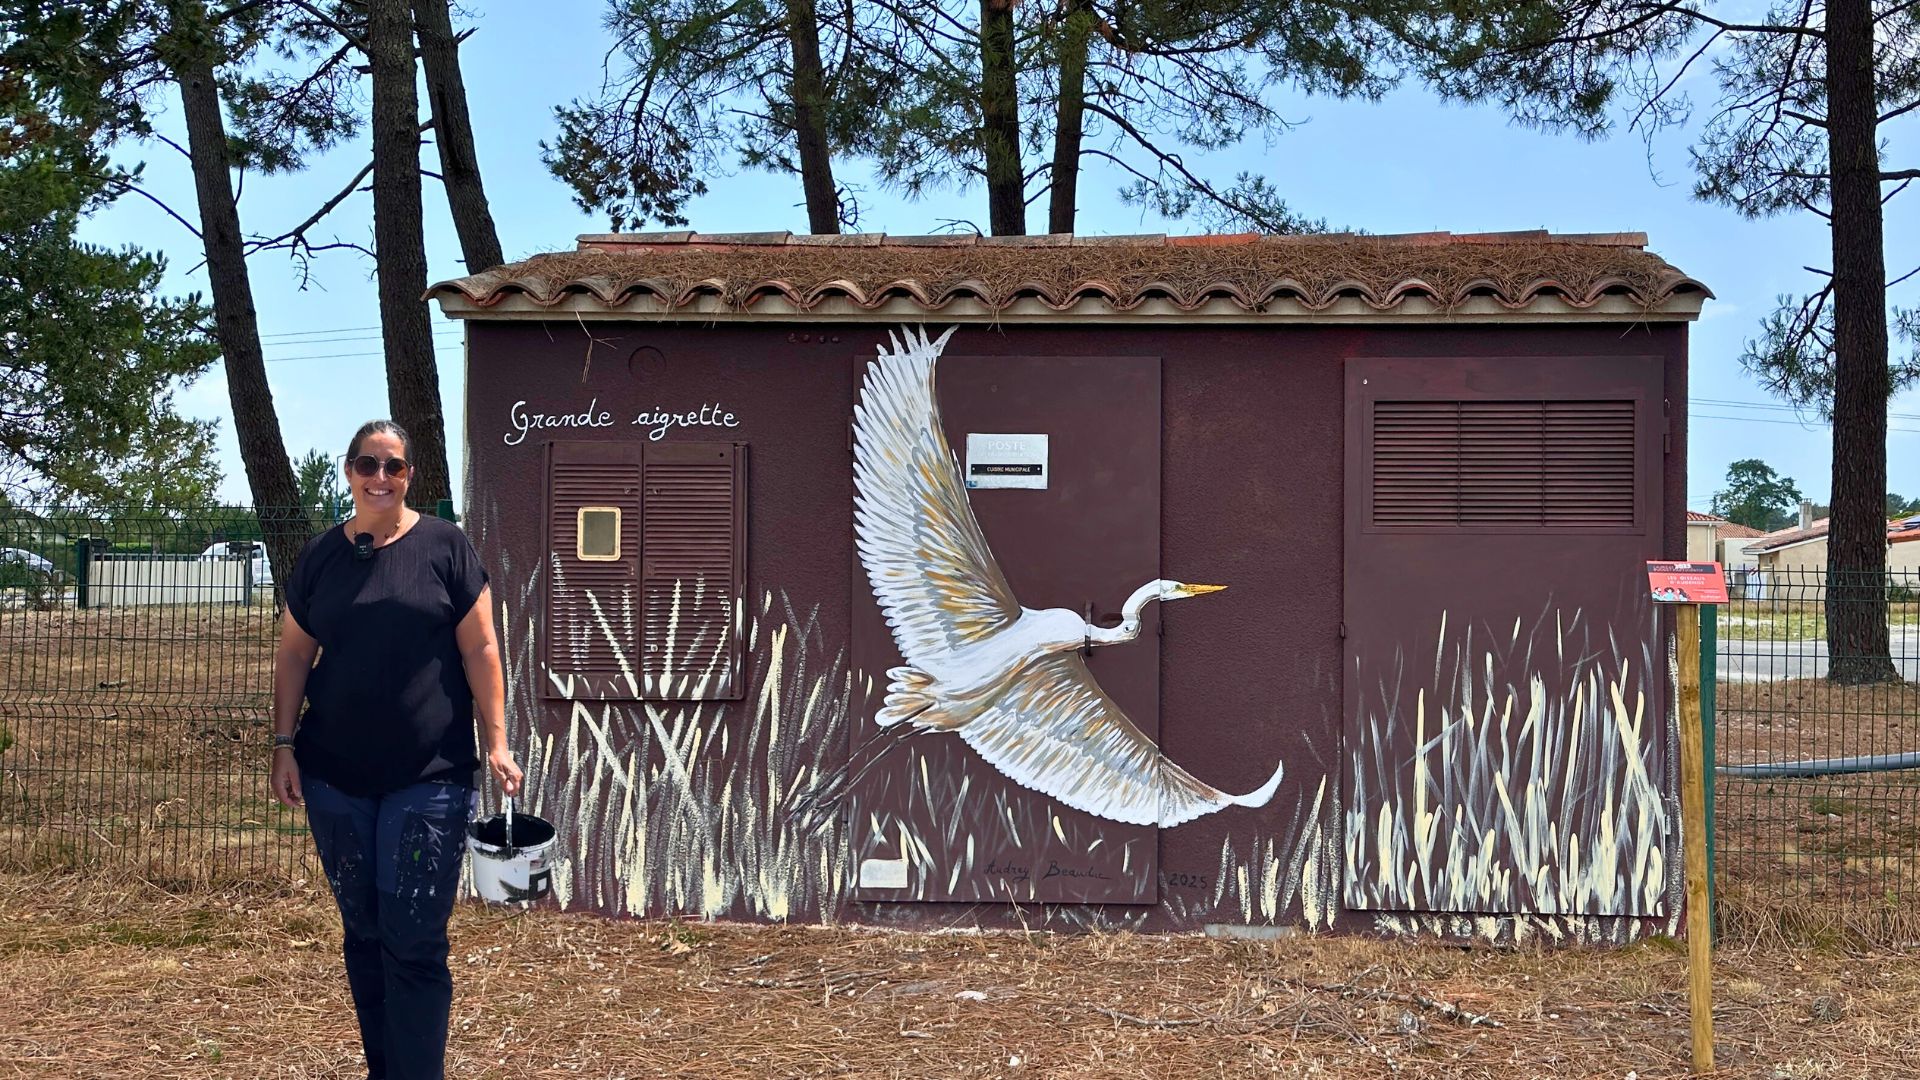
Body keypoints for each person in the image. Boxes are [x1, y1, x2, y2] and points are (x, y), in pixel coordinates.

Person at [269, 419, 522, 1080]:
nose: (380, 478)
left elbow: (481, 648)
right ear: (348, 471)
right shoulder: (321, 557)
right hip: (334, 778)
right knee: (364, 933)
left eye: (394, 466)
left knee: (413, 939)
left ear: (410, 475)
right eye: (367, 465)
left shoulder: (445, 547)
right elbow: (294, 654)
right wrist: (284, 743)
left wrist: (497, 740)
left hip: (429, 776)